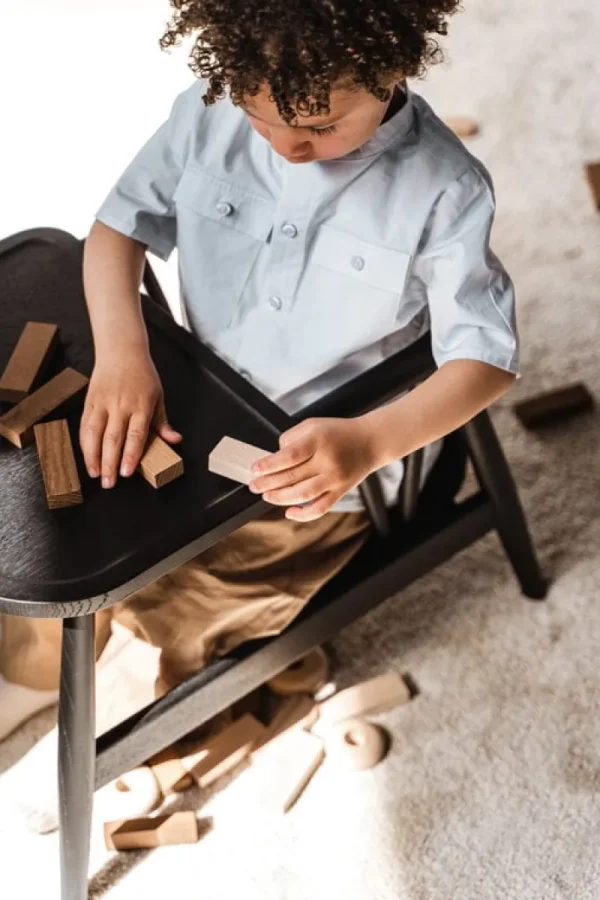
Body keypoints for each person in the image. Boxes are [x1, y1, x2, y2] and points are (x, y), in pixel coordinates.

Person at [0, 0, 518, 832]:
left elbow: (485, 358)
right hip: (189, 392)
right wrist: (125, 351)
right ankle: (39, 668)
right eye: (257, 110)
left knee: (193, 596)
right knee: (50, 508)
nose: (285, 143)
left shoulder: (444, 189)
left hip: (309, 459)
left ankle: (138, 701)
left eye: (316, 122)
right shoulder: (208, 116)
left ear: (392, 71)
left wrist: (368, 442)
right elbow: (113, 230)